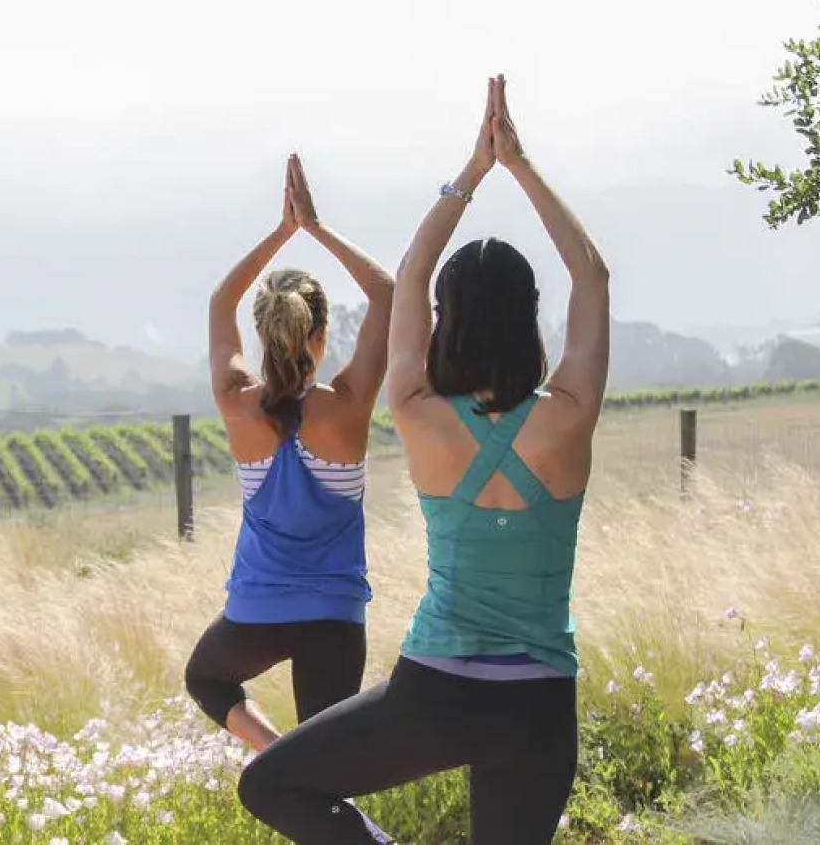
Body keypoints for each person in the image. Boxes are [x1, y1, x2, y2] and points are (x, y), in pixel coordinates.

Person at [237, 76, 610, 845]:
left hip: (435, 692)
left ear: (446, 323)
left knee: (270, 782)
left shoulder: (417, 412)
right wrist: (520, 166)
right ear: (529, 319)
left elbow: (408, 274)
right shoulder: (568, 417)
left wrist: (472, 172)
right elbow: (592, 277)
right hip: (539, 705)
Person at [183, 154, 395, 753]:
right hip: (335, 615)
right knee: (328, 763)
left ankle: (277, 756)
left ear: (262, 335)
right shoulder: (348, 407)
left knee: (205, 678)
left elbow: (220, 303)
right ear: (320, 336)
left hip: (257, 610)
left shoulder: (236, 402)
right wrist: (315, 228)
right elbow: (387, 294)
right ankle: (292, 764)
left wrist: (282, 231)